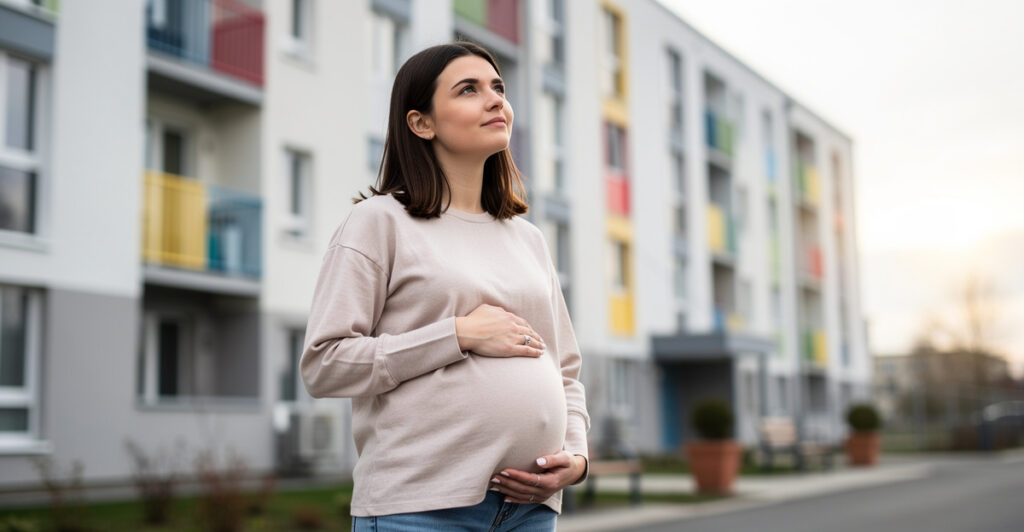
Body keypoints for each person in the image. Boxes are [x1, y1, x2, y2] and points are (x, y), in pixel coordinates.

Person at [301, 41, 590, 531]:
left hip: (530, 512)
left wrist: (577, 458)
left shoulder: (529, 239)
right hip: (419, 510)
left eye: (498, 87)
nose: (496, 99)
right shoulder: (378, 223)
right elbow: (324, 364)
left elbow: (563, 370)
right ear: (422, 123)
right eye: (469, 89)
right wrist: (458, 334)